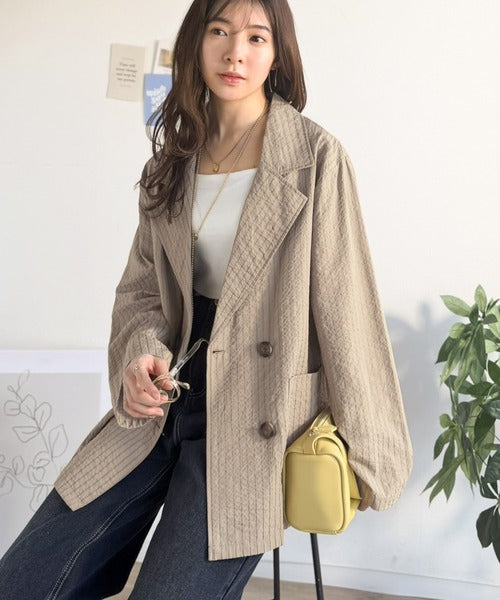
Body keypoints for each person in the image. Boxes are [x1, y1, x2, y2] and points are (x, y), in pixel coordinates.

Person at [0, 0, 412, 598]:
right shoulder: (171, 162)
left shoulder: (316, 159)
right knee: (23, 580)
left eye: (255, 37)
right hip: (166, 395)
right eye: (219, 31)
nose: (235, 52)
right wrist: (139, 355)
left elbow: (346, 306)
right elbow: (143, 289)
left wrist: (369, 451)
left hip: (254, 412)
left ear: (278, 54)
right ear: (196, 42)